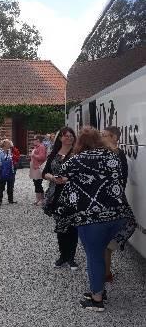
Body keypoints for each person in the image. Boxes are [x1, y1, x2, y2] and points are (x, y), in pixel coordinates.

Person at [55, 127, 135, 311]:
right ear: (99, 140)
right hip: (117, 215)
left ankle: (97, 299)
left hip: (91, 218)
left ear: (80, 143)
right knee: (101, 253)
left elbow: (59, 177)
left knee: (94, 257)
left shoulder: (76, 159)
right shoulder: (112, 156)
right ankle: (98, 288)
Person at [42, 127, 78, 270]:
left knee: (72, 226)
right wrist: (52, 178)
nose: (68, 138)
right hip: (55, 194)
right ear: (60, 138)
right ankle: (63, 255)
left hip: (72, 194)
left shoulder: (77, 154)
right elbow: (45, 172)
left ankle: (71, 257)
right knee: (60, 226)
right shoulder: (54, 154)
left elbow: (81, 174)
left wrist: (67, 179)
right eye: (66, 136)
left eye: (71, 136)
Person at [101, 126, 129, 284]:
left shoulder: (118, 154)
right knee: (105, 241)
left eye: (104, 135)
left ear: (113, 137)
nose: (101, 138)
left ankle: (105, 272)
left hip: (112, 202)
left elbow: (122, 180)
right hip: (107, 202)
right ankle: (105, 272)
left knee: (107, 241)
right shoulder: (105, 153)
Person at [0, 139, 16, 205]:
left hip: (10, 170)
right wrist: (1, 169)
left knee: (10, 186)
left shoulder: (9, 151)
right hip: (2, 171)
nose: (10, 145)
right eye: (8, 143)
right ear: (4, 144)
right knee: (1, 186)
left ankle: (10, 200)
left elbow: (11, 160)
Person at [30, 135, 47, 205]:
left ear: (38, 140)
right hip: (34, 167)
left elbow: (42, 157)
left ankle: (42, 199)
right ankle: (38, 199)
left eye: (34, 139)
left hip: (38, 168)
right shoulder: (36, 147)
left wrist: (33, 155)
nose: (33, 140)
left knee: (38, 183)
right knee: (36, 183)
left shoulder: (41, 147)